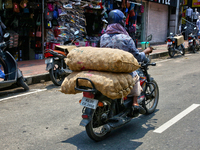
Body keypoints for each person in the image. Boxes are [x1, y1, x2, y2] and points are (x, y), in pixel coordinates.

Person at [100, 9, 152, 115]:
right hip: (121, 70)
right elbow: (137, 56)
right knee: (136, 76)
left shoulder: (103, 37)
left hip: (106, 69)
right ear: (121, 22)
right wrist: (146, 52)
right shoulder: (126, 38)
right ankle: (135, 102)